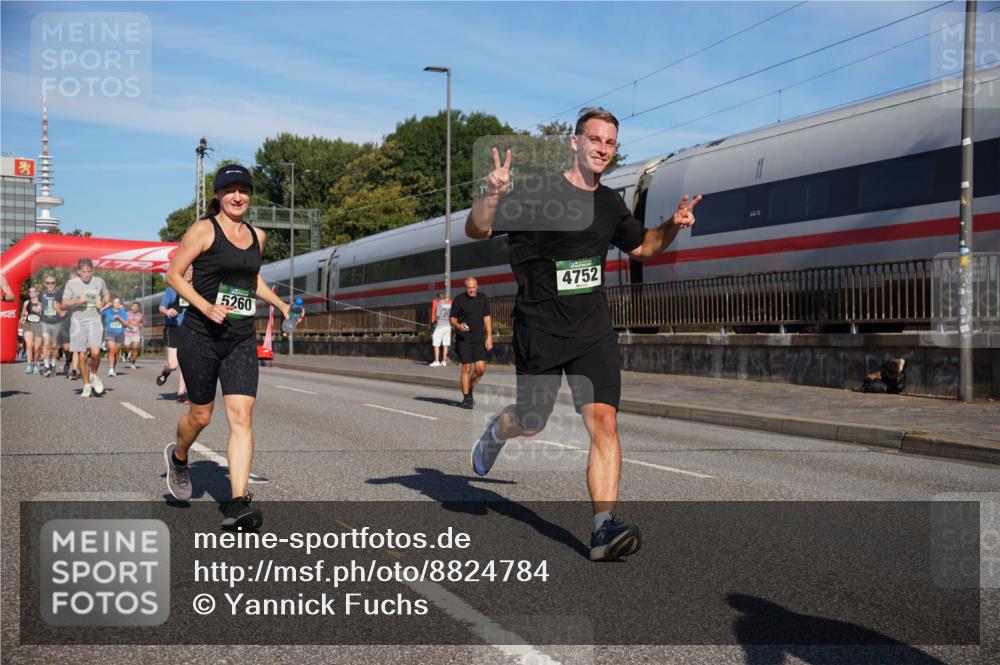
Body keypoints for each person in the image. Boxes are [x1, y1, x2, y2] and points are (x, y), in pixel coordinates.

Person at [465, 108, 700, 561]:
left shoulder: (610, 204)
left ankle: (602, 529)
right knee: (531, 423)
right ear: (574, 142)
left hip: (592, 330)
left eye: (610, 143)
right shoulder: (537, 196)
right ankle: (497, 431)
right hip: (541, 329)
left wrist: (673, 224)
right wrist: (491, 195)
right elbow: (478, 228)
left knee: (605, 424)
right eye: (595, 139)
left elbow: (646, 247)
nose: (603, 149)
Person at [163, 164, 300, 530]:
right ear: (219, 195)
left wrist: (281, 304)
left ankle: (237, 503)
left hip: (239, 337)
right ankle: (178, 458)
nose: (238, 196)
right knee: (201, 417)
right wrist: (204, 305)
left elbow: (251, 279)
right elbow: (174, 274)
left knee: (242, 417)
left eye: (244, 190)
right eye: (230, 190)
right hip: (200, 335)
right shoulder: (204, 229)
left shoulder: (259, 235)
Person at [62, 258, 111, 397]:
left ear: (92, 271)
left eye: (89, 271)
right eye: (83, 271)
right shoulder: (71, 283)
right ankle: (86, 385)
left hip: (94, 320)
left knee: (95, 352)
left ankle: (94, 375)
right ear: (78, 272)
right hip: (78, 322)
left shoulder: (99, 281)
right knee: (82, 355)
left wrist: (102, 301)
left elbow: (107, 295)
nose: (86, 274)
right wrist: (77, 301)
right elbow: (65, 303)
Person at [449, 276, 492, 408]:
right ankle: (467, 398)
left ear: (477, 286)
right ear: (465, 287)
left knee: (480, 369)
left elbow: (487, 317)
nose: (471, 290)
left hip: (479, 339)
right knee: (466, 367)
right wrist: (459, 326)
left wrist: (489, 336)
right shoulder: (459, 299)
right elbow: (452, 319)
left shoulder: (483, 298)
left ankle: (470, 385)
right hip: (464, 339)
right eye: (469, 288)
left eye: (473, 287)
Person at [156, 266, 192, 402]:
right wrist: (166, 311)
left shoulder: (196, 290)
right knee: (173, 365)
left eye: (191, 271)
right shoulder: (172, 289)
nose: (188, 273)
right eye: (186, 270)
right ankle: (165, 373)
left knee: (185, 362)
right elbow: (161, 306)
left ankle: (181, 393)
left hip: (189, 329)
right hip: (173, 329)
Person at [38, 273, 66, 377]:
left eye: (52, 283)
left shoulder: (60, 294)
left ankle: (53, 364)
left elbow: (65, 305)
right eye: (48, 283)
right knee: (46, 343)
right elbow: (39, 303)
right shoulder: (42, 293)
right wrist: (38, 306)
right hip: (45, 321)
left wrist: (61, 308)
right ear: (45, 284)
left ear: (55, 284)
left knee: (54, 345)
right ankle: (46, 365)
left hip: (57, 322)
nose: (50, 285)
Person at [101, 297, 128, 376]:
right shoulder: (107, 311)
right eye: (115, 302)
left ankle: (113, 368)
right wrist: (105, 306)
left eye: (118, 302)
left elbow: (126, 324)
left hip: (119, 334)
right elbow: (97, 313)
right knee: (112, 350)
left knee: (115, 352)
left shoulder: (123, 312)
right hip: (110, 333)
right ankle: (111, 369)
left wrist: (119, 318)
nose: (117, 304)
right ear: (112, 304)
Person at [20, 287, 44, 374]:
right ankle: (29, 365)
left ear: (37, 293)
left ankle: (36, 364)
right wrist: (25, 315)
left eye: (33, 291)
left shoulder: (41, 303)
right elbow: (22, 313)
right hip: (28, 324)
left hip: (38, 325)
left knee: (37, 348)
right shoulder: (26, 302)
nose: (31, 292)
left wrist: (38, 309)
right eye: (29, 291)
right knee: (29, 345)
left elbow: (44, 315)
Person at [429, 291, 452, 367]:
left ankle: (436, 361)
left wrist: (434, 323)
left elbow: (437, 316)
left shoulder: (439, 304)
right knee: (445, 344)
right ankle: (444, 361)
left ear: (438, 298)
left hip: (440, 326)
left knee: (436, 344)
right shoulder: (449, 304)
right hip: (448, 326)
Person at [124, 301, 145, 369]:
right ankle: (127, 354)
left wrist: (139, 325)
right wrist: (127, 323)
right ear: (131, 307)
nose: (134, 308)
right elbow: (122, 321)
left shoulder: (141, 315)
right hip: (127, 333)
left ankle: (133, 363)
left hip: (136, 333)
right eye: (133, 306)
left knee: (135, 347)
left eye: (136, 307)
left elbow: (144, 322)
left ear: (138, 308)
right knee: (126, 348)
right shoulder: (127, 314)